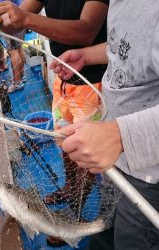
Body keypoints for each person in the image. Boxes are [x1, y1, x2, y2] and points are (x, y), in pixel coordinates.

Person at [0, 0, 109, 246]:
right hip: (63, 82)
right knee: (65, 145)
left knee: (85, 154)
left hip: (92, 83)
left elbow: (86, 32)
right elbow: (12, 29)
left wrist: (26, 18)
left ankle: (74, 217)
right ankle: (68, 187)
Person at [50, 1, 159, 249]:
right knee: (104, 232)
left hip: (148, 174)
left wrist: (120, 135)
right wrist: (87, 55)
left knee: (132, 239)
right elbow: (126, 45)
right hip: (114, 162)